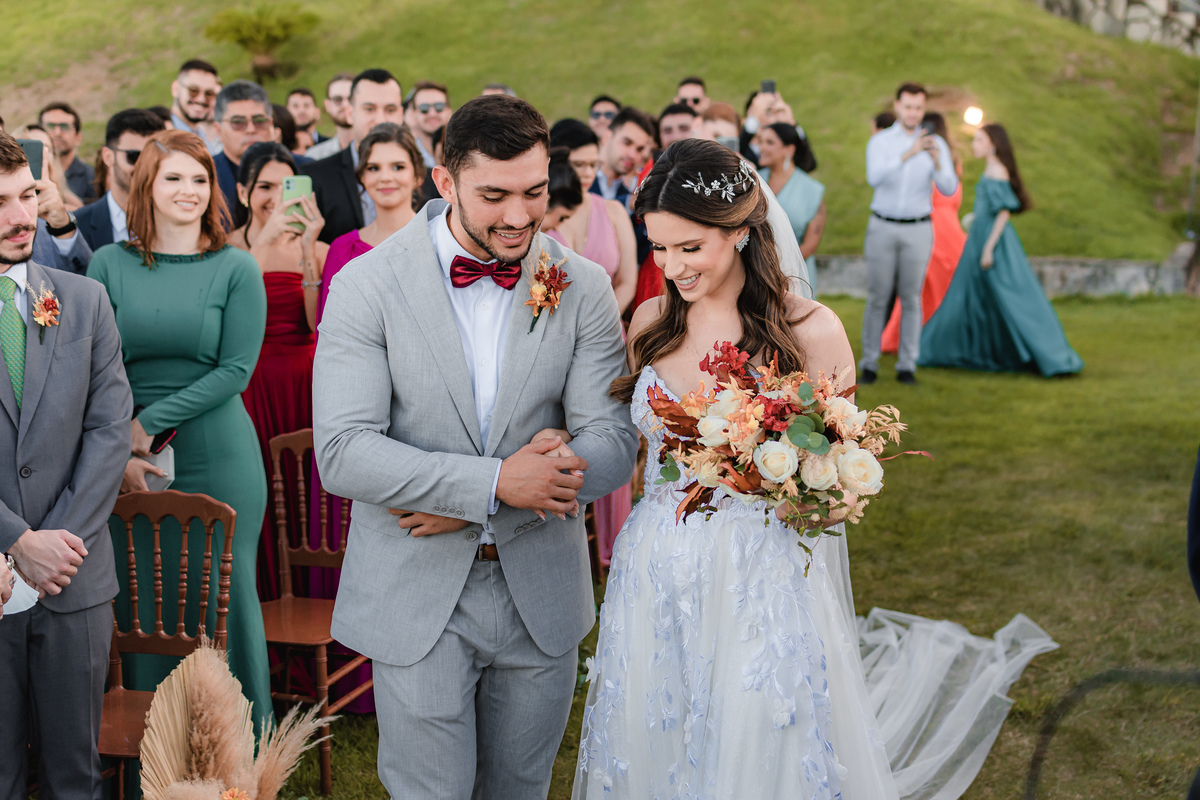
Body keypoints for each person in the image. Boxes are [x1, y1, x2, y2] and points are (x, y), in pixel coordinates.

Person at [574, 138, 1057, 800]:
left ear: (742, 232)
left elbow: (833, 482)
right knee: (655, 730)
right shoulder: (651, 320)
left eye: (690, 248)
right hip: (655, 562)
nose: (672, 266)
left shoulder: (811, 330)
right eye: (659, 247)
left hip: (757, 572)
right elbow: (639, 454)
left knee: (759, 735)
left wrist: (799, 485)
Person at [314, 94, 638, 799]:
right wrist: (494, 484)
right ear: (445, 180)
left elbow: (612, 441)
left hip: (541, 594)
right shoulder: (364, 283)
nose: (521, 217)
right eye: (494, 196)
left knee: (520, 789)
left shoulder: (580, 285)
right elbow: (343, 450)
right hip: (417, 591)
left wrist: (498, 501)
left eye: (534, 191)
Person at [86, 129, 273, 733]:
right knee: (143, 601)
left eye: (200, 179)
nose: (189, 190)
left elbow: (236, 371)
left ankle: (238, 754)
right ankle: (151, 751)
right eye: (174, 177)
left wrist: (147, 423)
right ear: (146, 184)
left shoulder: (236, 268)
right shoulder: (108, 264)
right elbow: (98, 367)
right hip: (128, 460)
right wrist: (120, 443)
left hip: (219, 455)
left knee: (223, 597)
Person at [0, 127, 133, 800]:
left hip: (75, 581)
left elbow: (110, 430)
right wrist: (13, 542)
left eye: (25, 195)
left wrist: (58, 548)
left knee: (75, 775)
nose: (20, 217)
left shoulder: (83, 301)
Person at [230, 142, 327, 599]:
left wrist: (307, 248)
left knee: (310, 500)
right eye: (264, 186)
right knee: (262, 502)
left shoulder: (321, 250)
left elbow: (314, 323)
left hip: (305, 385)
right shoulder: (226, 250)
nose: (275, 197)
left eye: (285, 186)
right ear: (243, 190)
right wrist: (265, 240)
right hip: (249, 387)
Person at [919, 124, 1083, 376]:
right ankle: (984, 349)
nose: (974, 145)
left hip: (990, 241)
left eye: (979, 140)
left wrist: (988, 248)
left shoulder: (997, 170)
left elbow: (1004, 210)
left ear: (993, 144)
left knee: (1008, 296)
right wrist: (976, 219)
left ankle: (1042, 352)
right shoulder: (992, 169)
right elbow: (992, 207)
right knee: (980, 295)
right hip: (981, 235)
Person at [540, 147, 637, 569]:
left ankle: (611, 545)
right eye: (556, 219)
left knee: (605, 429)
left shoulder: (606, 214)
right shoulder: (542, 251)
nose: (556, 226)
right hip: (551, 345)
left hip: (600, 332)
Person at [860, 82, 958, 386]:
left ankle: (907, 365)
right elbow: (874, 177)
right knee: (877, 296)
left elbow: (949, 187)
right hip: (883, 224)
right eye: (908, 106)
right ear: (898, 106)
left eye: (918, 107)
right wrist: (908, 153)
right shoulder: (882, 142)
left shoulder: (936, 144)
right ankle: (869, 363)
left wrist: (938, 162)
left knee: (911, 297)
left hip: (918, 227)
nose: (913, 113)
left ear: (923, 109)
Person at [881, 111, 966, 354]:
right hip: (952, 229)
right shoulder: (953, 159)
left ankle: (918, 339)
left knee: (920, 288)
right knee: (936, 288)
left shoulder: (925, 158)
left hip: (930, 226)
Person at [302, 68, 404, 244]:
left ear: (401, 115)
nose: (380, 119)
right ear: (350, 114)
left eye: (390, 109)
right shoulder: (315, 178)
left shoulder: (429, 181)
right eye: (369, 109)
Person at [3, 121, 92, 274]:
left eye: (44, 149)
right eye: (21, 147)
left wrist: (63, 226)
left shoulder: (74, 212)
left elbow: (87, 277)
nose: (32, 158)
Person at [75, 108, 167, 251]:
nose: (144, 166)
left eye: (152, 157)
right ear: (108, 157)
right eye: (134, 156)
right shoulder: (78, 226)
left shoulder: (174, 218)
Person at [757, 122, 826, 275]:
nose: (761, 148)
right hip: (756, 271)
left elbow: (811, 244)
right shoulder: (754, 180)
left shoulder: (812, 190)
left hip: (795, 273)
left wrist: (778, 270)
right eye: (760, 141)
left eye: (770, 142)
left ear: (789, 149)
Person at [212, 80, 277, 222]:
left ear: (271, 124)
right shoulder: (205, 176)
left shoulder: (303, 169)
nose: (250, 129)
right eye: (238, 122)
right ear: (218, 130)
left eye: (259, 120)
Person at [593, 107, 656, 209]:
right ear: (607, 137)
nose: (633, 155)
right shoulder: (579, 179)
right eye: (627, 143)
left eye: (639, 149)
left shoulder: (632, 200)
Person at [38, 102, 96, 203]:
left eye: (65, 126)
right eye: (50, 126)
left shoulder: (93, 178)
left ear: (78, 137)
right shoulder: (28, 173)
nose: (57, 133)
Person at [169, 58, 223, 154]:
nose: (201, 99)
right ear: (176, 89)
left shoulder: (205, 141)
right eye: (193, 90)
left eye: (209, 93)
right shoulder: (162, 133)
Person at [304, 72, 355, 161]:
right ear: (327, 105)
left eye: (351, 98)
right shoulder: (314, 156)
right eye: (337, 99)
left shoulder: (378, 152)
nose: (345, 104)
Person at [407, 80, 453, 170]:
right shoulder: (406, 153)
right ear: (413, 114)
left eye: (439, 107)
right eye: (424, 108)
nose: (432, 114)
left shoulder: (463, 151)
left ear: (449, 111)